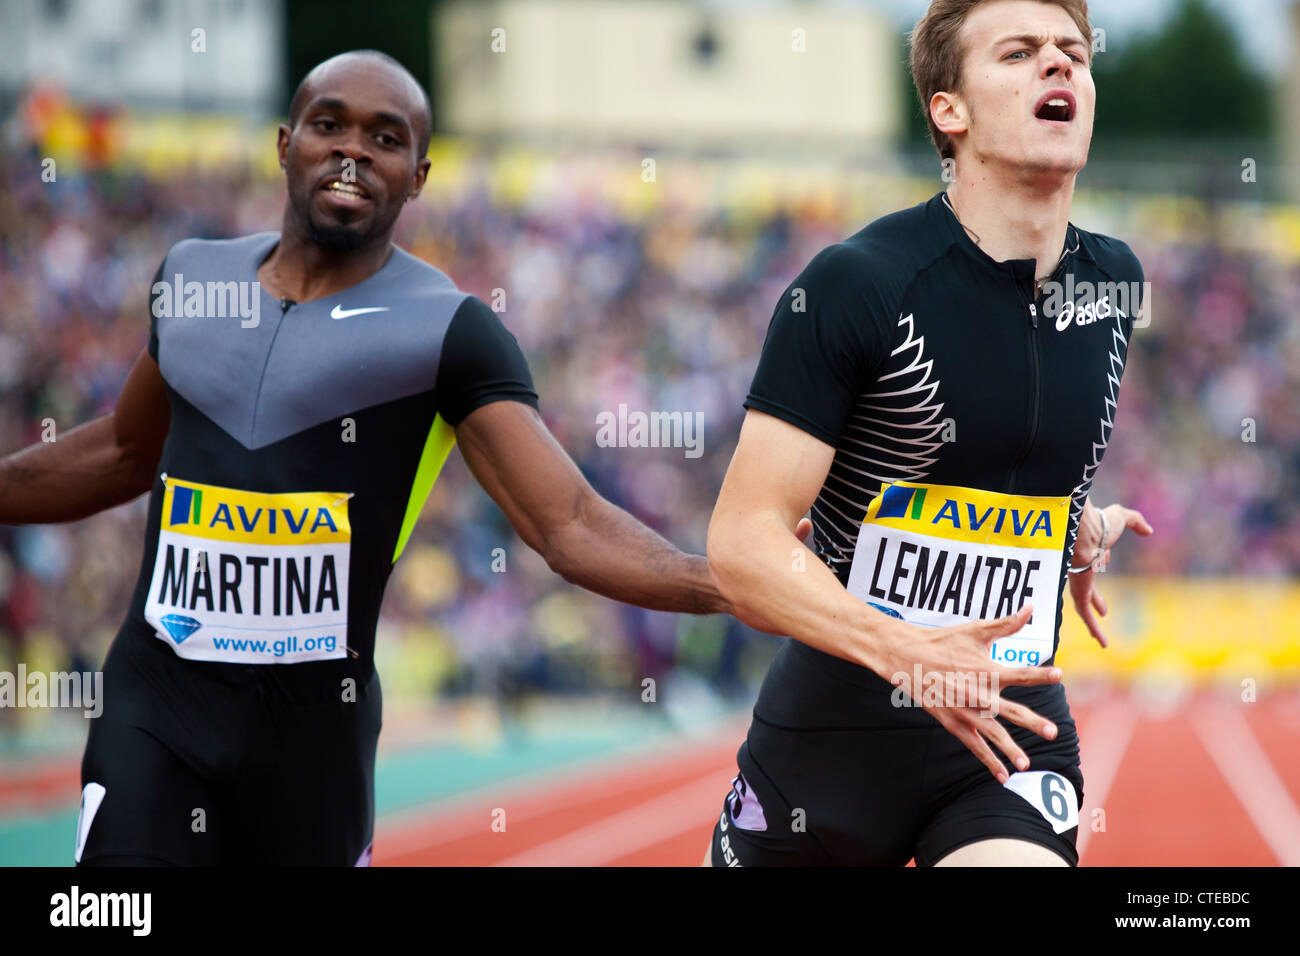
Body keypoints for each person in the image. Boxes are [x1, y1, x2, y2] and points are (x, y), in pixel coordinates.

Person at [0, 50, 786, 866]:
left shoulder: (450, 332)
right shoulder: (193, 281)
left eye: (385, 137)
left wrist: (723, 583)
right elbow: (126, 451)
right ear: (284, 143)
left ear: (418, 175)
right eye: (328, 124)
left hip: (312, 744)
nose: (352, 151)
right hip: (155, 709)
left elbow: (569, 523)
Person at [704, 0, 1153, 867]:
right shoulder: (856, 284)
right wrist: (909, 652)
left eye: (1074, 52)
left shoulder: (1116, 281)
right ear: (950, 109)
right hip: (833, 739)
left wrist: (1074, 526)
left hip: (1008, 736)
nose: (1059, 66)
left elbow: (998, 457)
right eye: (1019, 53)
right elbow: (740, 539)